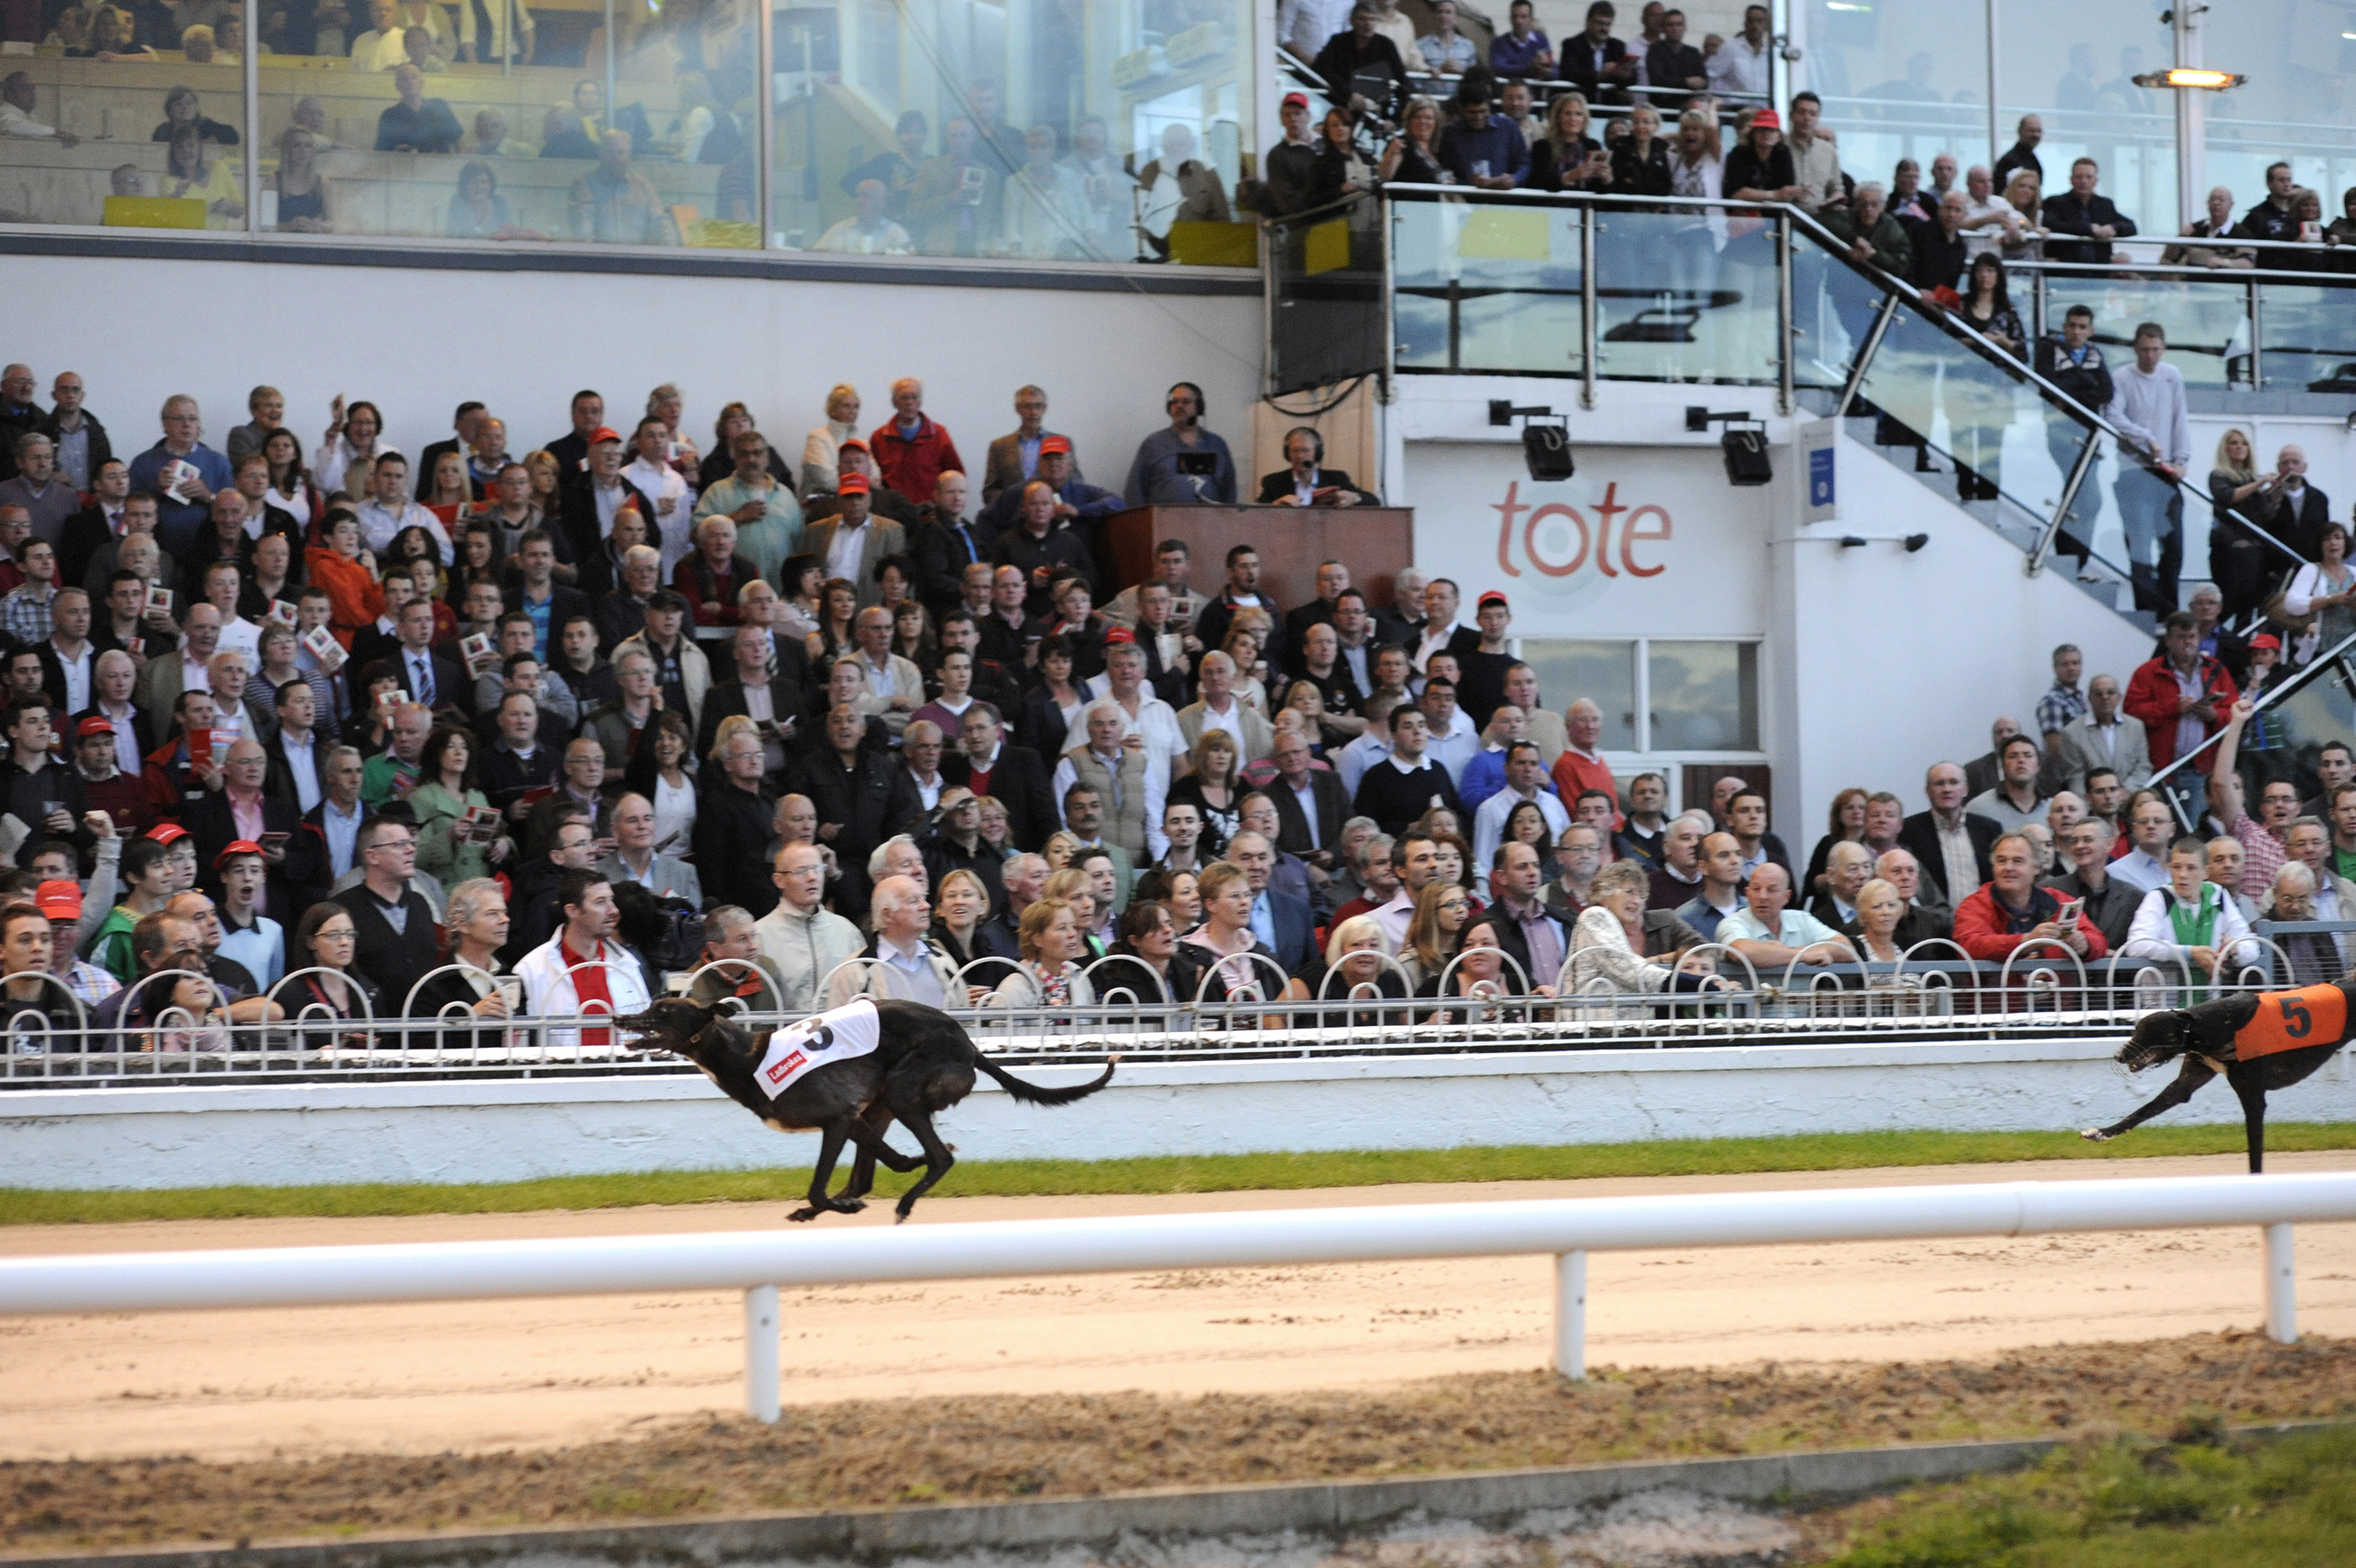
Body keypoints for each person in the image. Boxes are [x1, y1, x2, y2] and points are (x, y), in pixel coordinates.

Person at [514, 868, 651, 1051]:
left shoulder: (628, 964)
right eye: (601, 902)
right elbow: (520, 1044)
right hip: (562, 1077)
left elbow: (646, 1030)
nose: (613, 910)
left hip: (621, 1075)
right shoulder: (531, 968)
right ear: (573, 911)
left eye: (611, 900)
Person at [1952, 831, 2106, 964]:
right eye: (2001, 861)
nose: (2008, 868)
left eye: (2018, 861)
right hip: (2002, 998)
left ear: (2037, 868)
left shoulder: (2059, 900)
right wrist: (2026, 941)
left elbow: (2098, 939)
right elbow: (1970, 945)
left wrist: (2084, 944)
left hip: (2055, 996)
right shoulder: (1974, 905)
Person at [331, 815, 439, 1006]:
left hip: (427, 1025)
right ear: (372, 856)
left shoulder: (419, 903)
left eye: (411, 843)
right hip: (373, 1026)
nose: (411, 850)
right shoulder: (343, 909)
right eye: (399, 844)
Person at [1896, 761, 2000, 907]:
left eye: (1953, 782)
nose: (1947, 789)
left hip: (1983, 918)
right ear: (1928, 791)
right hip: (1934, 922)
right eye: (1939, 783)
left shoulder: (1989, 828)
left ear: (1965, 789)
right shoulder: (1909, 830)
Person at [1722, 862, 1855, 971]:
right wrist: (1804, 955)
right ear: (1747, 894)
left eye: (1771, 890)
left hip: (1800, 1003)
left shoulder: (1801, 919)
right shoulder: (1732, 922)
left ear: (1787, 897)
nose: (1762, 897)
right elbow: (1742, 952)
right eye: (1756, 889)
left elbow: (1847, 949)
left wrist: (1783, 952)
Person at [1124, 384, 1235, 506]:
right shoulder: (1153, 443)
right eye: (1174, 402)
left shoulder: (1216, 444)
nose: (1179, 406)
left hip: (1209, 522)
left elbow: (1229, 489)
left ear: (1199, 407)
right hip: (1164, 523)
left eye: (1186, 401)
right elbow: (1134, 490)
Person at [571, 130, 677, 245]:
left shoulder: (643, 186)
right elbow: (583, 230)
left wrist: (672, 252)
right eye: (610, 152)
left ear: (629, 155)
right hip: (600, 258)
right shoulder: (584, 185)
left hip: (638, 259)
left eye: (621, 152)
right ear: (600, 154)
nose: (616, 157)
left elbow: (661, 224)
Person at [2054, 674, 2151, 797]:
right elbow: (2076, 777)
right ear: (2089, 699)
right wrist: (2090, 802)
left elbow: (2143, 767)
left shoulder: (2135, 727)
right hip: (2093, 803)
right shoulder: (2072, 733)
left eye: (2111, 692)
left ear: (2119, 697)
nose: (2105, 697)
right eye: (2098, 694)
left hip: (2130, 798)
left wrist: (2125, 791)